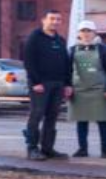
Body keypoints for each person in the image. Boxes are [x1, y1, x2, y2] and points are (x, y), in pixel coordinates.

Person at [22, 9, 73, 161]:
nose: (55, 22)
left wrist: (67, 84)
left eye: (58, 19)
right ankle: (32, 148)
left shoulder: (60, 40)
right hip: (41, 84)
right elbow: (28, 61)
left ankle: (48, 148)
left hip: (58, 84)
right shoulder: (34, 37)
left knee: (52, 116)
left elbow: (66, 63)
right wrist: (36, 82)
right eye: (52, 19)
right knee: (36, 115)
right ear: (44, 20)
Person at [69, 20, 106, 158]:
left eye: (88, 31)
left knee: (103, 121)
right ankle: (82, 149)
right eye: (83, 31)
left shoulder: (102, 49)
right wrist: (68, 86)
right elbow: (68, 70)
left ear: (94, 33)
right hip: (79, 90)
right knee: (81, 120)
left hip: (99, 90)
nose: (86, 34)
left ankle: (105, 150)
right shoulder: (72, 50)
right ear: (79, 33)